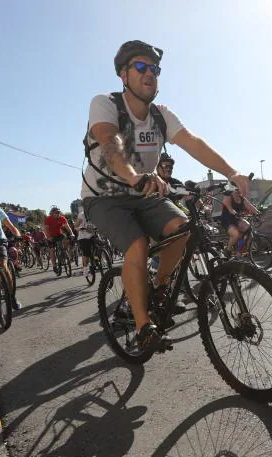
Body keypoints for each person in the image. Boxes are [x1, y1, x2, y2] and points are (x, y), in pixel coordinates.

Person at [81, 40, 250, 352]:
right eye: (141, 67)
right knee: (137, 245)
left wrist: (232, 172)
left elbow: (193, 142)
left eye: (155, 69)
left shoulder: (161, 115)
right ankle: (143, 326)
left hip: (144, 192)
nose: (150, 74)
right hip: (104, 197)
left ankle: (159, 290)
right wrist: (133, 176)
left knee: (183, 230)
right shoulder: (105, 103)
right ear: (123, 74)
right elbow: (109, 141)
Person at [221, 188, 259, 255]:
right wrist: (236, 214)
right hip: (227, 219)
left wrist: (258, 213)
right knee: (236, 234)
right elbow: (230, 209)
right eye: (238, 190)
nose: (240, 192)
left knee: (248, 228)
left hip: (237, 218)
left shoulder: (242, 198)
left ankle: (242, 249)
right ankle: (228, 250)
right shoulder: (228, 197)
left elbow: (250, 206)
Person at [43, 206, 74, 275]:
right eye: (56, 213)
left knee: (66, 239)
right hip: (50, 236)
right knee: (52, 251)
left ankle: (63, 251)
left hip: (58, 234)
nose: (57, 214)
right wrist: (48, 237)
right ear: (52, 213)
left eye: (58, 212)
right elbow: (45, 229)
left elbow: (67, 227)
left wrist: (71, 233)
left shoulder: (62, 218)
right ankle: (54, 266)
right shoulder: (48, 219)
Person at [75, 202, 96, 274]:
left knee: (99, 245)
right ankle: (85, 269)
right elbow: (76, 226)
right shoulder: (81, 215)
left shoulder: (95, 213)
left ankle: (97, 260)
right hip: (83, 237)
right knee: (86, 253)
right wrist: (80, 228)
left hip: (92, 234)